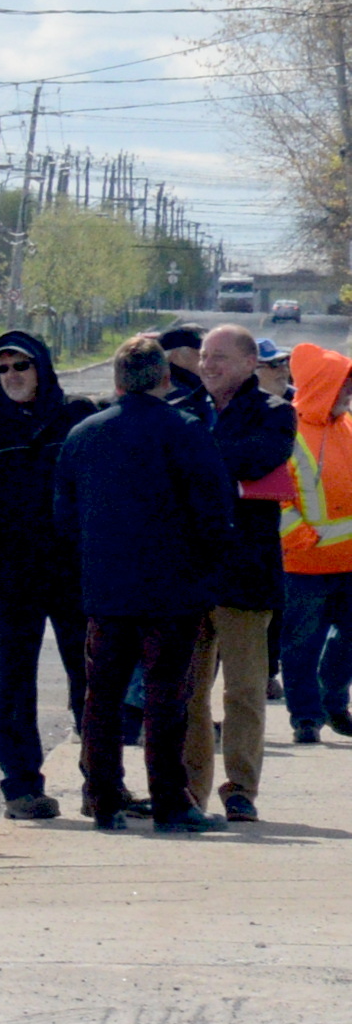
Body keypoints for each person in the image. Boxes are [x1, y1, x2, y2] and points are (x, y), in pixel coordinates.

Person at [57, 330, 237, 832]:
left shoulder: (84, 435)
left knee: (102, 697)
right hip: (172, 590)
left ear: (117, 380)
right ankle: (169, 804)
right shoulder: (187, 430)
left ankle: (104, 798)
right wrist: (205, 571)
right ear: (163, 377)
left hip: (106, 589)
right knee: (166, 697)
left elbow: (64, 518)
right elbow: (215, 514)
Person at [0, 330, 89, 821]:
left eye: (21, 366)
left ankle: (101, 781)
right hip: (11, 576)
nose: (12, 376)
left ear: (42, 368)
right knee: (13, 683)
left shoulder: (77, 416)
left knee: (90, 677)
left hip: (73, 572)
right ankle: (22, 788)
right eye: (2, 368)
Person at [195, 322, 299, 819]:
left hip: (246, 575)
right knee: (188, 691)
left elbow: (260, 457)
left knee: (244, 690)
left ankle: (240, 789)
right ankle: (189, 789)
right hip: (189, 573)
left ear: (246, 362)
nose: (207, 365)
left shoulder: (275, 414)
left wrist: (197, 463)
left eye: (218, 357)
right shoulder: (187, 408)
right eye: (203, 356)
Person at [282, 339, 352, 746]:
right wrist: (299, 537)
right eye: (343, 384)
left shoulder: (347, 426)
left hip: (347, 563)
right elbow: (275, 497)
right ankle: (306, 717)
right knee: (300, 646)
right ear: (326, 385)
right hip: (304, 564)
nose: (348, 392)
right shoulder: (287, 428)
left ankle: (332, 701)